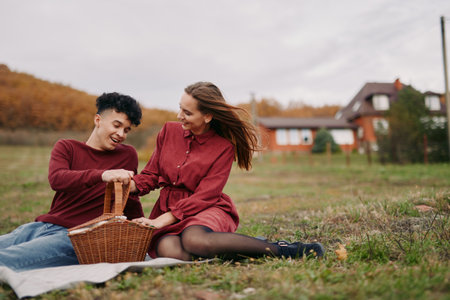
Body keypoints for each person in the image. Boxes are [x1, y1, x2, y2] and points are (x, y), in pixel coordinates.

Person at [128, 81, 325, 261]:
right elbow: (152, 174)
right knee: (169, 251)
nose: (180, 116)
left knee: (194, 241)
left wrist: (162, 220)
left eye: (187, 113)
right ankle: (238, 248)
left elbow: (206, 195)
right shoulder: (169, 131)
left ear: (207, 116)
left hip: (205, 207)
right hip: (169, 207)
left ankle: (283, 249)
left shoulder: (223, 147)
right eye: (180, 108)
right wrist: (132, 184)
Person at [0, 92, 145, 272]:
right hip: (41, 226)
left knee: (6, 259)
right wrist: (102, 175)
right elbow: (58, 179)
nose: (121, 134)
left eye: (126, 130)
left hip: (81, 236)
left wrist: (139, 227)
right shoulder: (67, 147)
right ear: (98, 120)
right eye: (117, 125)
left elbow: (128, 197)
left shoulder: (127, 154)